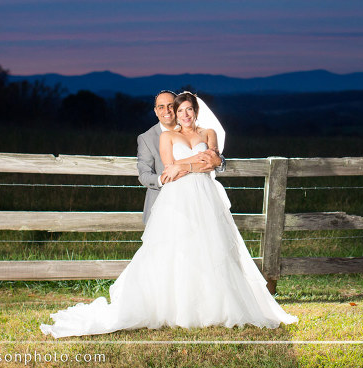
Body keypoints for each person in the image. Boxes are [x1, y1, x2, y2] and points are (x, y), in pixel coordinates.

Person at [40, 91, 297, 337]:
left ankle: (214, 306)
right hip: (177, 198)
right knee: (176, 249)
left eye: (187, 109)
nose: (182, 114)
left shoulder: (209, 133)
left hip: (206, 198)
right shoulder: (164, 137)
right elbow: (170, 168)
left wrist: (190, 164)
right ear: (163, 111)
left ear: (196, 112)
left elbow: (214, 162)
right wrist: (198, 162)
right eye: (178, 110)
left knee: (211, 248)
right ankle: (175, 307)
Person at [136, 90, 223, 223]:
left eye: (171, 105)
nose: (167, 111)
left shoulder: (203, 132)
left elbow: (214, 160)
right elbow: (144, 174)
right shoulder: (146, 138)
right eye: (161, 107)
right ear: (155, 111)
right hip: (165, 200)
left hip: (201, 196)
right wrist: (163, 179)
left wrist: (218, 161)